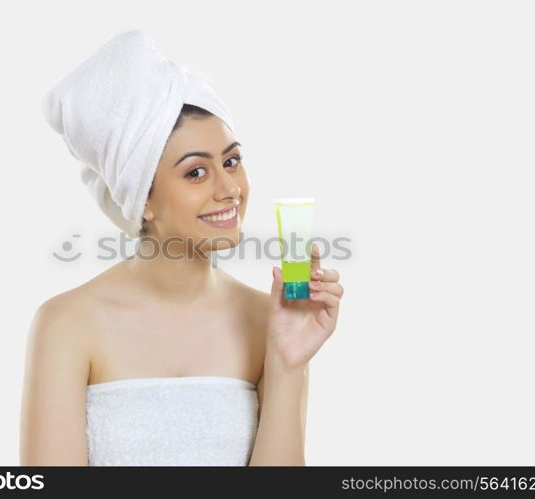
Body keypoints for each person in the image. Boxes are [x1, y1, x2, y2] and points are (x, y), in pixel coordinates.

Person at [20, 31, 344, 466]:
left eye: (231, 161)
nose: (230, 188)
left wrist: (287, 363)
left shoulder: (270, 318)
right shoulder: (67, 324)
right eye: (196, 173)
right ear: (144, 200)